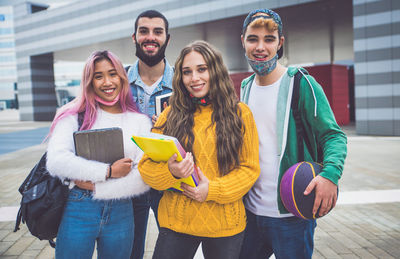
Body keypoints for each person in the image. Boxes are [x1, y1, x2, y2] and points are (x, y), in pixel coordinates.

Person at [238, 9, 347, 259]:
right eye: (253, 38)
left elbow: (333, 136)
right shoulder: (245, 88)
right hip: (249, 214)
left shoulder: (301, 83)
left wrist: (330, 175)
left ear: (280, 43)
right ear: (242, 40)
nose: (260, 47)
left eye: (269, 39)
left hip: (292, 214)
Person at [138, 40, 260, 259]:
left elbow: (249, 170)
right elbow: (146, 167)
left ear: (215, 70)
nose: (194, 78)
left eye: (202, 69)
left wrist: (211, 190)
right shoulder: (170, 114)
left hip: (225, 225)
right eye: (187, 72)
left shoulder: (241, 114)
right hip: (177, 223)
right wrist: (171, 172)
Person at [46, 50, 151, 258]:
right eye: (98, 76)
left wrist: (97, 185)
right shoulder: (73, 114)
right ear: (89, 81)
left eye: (112, 74)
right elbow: (57, 160)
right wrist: (108, 171)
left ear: (122, 77)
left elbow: (143, 175)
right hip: (79, 207)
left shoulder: (139, 121)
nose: (107, 82)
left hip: (122, 209)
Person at [126, 9, 173, 259]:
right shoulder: (118, 80)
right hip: (128, 180)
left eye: (158, 31)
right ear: (134, 37)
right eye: (144, 31)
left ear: (167, 38)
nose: (150, 37)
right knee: (130, 252)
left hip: (168, 180)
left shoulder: (184, 82)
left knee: (175, 250)